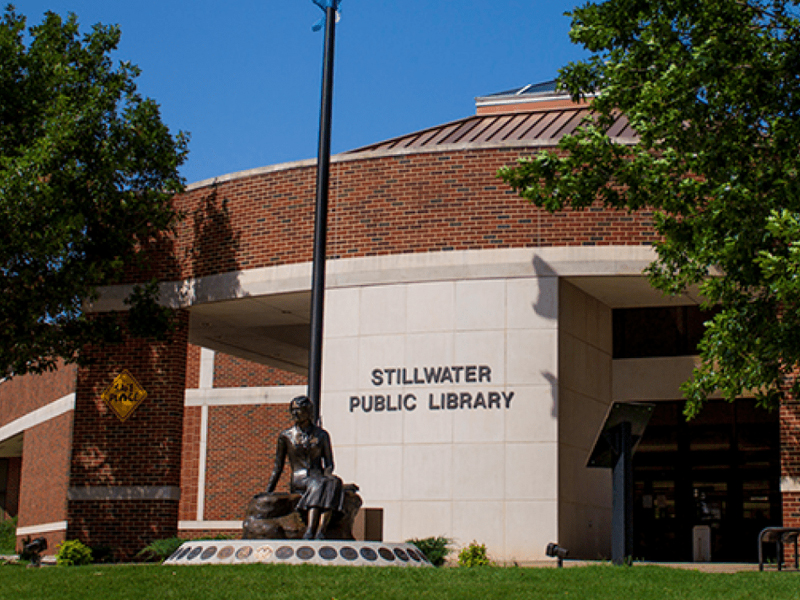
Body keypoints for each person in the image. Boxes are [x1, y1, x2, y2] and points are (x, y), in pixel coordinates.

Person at [265, 395, 344, 539]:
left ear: (308, 412)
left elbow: (329, 463)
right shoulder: (286, 436)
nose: (295, 413)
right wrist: (268, 490)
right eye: (293, 410)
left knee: (334, 482)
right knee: (319, 484)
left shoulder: (322, 435)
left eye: (299, 410)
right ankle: (310, 531)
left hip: (318, 475)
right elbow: (278, 466)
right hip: (300, 478)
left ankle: (321, 531)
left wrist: (328, 474)